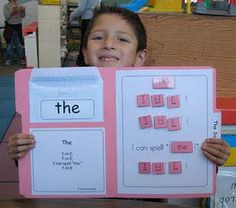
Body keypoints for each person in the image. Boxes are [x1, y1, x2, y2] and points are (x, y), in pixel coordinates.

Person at [8, 4, 230, 169]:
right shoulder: (60, 97)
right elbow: (46, 156)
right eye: (98, 37)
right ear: (84, 52)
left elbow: (188, 154)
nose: (109, 44)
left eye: (122, 39)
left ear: (140, 57)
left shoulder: (163, 101)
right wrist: (23, 153)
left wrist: (211, 155)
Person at [69, 0, 100, 66]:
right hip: (94, 20)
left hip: (87, 20)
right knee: (91, 42)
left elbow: (81, 9)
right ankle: (90, 62)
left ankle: (81, 63)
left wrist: (71, 16)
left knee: (84, 43)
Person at [3, 0, 25, 66]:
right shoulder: (6, 6)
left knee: (19, 45)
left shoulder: (19, 5)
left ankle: (21, 59)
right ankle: (9, 59)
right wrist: (12, 9)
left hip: (18, 26)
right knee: (9, 44)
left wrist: (23, 11)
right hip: (10, 28)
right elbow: (6, 17)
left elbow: (23, 16)